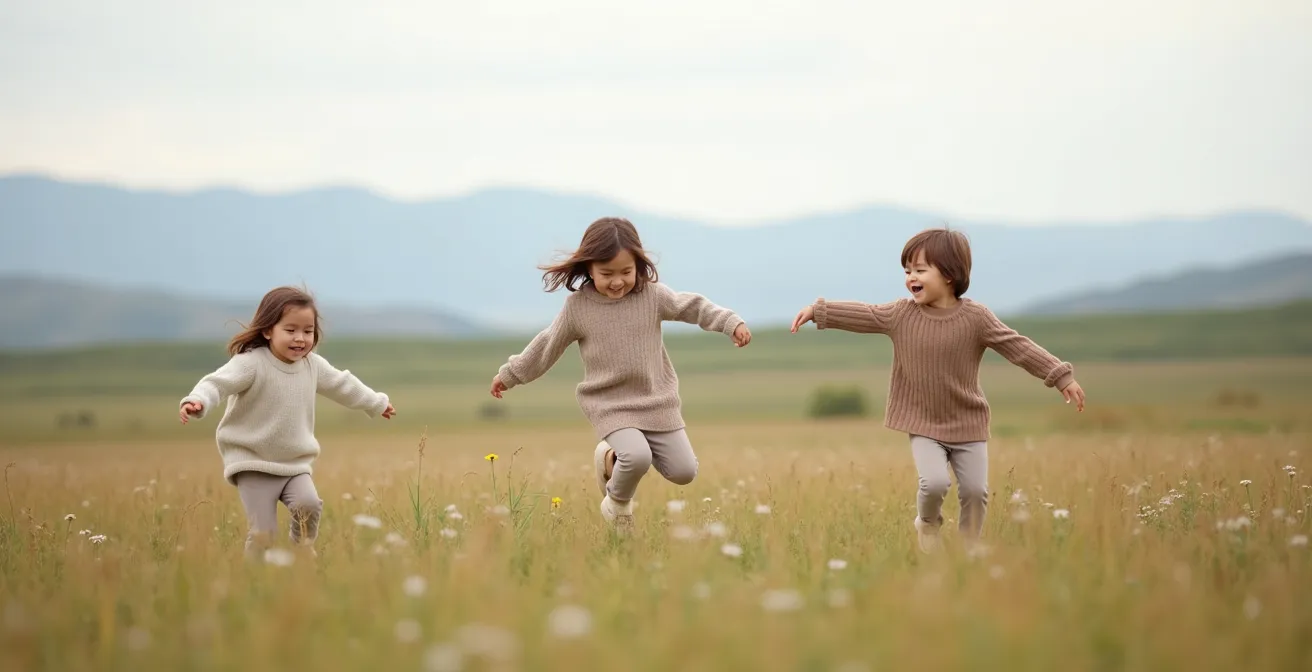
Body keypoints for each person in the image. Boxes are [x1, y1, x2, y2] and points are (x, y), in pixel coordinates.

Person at [790, 227, 1085, 553]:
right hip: (922, 421)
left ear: (949, 274)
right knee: (934, 484)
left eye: (919, 270)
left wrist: (1060, 375)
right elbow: (866, 314)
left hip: (967, 421)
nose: (910, 277)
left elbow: (1016, 346)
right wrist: (819, 310)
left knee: (975, 491)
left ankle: (970, 550)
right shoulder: (902, 314)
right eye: (907, 271)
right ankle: (927, 526)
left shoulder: (977, 318)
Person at [489, 217, 751, 533]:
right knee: (638, 456)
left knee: (684, 471)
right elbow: (548, 344)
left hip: (656, 401)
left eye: (626, 272)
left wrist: (729, 322)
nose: (617, 281)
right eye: (606, 274)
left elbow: (691, 306)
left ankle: (610, 459)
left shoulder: (653, 296)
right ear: (589, 268)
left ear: (639, 266)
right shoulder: (578, 308)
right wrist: (512, 373)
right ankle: (617, 504)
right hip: (609, 403)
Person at [178, 286, 396, 558]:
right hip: (253, 463)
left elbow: (343, 384)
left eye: (308, 331)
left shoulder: (312, 365)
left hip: (294, 464)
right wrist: (198, 401)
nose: (300, 339)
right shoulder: (251, 364)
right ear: (268, 330)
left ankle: (302, 550)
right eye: (290, 330)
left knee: (309, 505)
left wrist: (376, 402)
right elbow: (217, 383)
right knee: (264, 534)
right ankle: (254, 580)